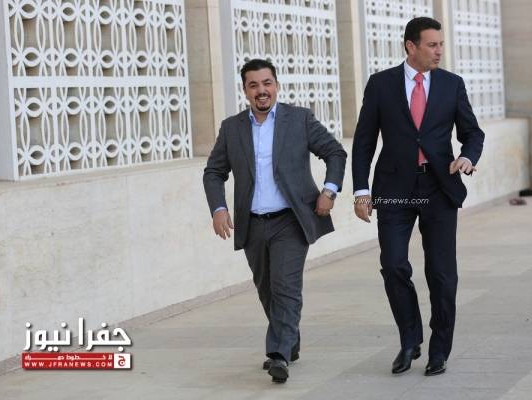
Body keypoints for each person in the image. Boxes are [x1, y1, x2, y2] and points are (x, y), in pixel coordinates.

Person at [351, 17, 484, 376]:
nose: (439, 51)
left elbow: (473, 133)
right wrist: (361, 191)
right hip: (394, 189)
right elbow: (364, 141)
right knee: (393, 264)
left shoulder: (452, 84)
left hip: (439, 187)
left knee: (441, 274)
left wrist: (467, 157)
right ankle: (410, 339)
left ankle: (439, 349)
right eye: (432, 45)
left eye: (441, 44)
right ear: (411, 46)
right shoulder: (381, 84)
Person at [203, 59, 347, 383]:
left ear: (276, 86)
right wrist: (219, 209)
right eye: (253, 85)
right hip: (252, 224)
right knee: (267, 289)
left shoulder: (299, 119)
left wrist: (329, 190)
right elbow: (213, 172)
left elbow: (335, 152)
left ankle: (278, 354)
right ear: (245, 90)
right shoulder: (232, 128)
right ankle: (289, 341)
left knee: (285, 286)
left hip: (291, 220)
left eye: (267, 83)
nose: (261, 90)